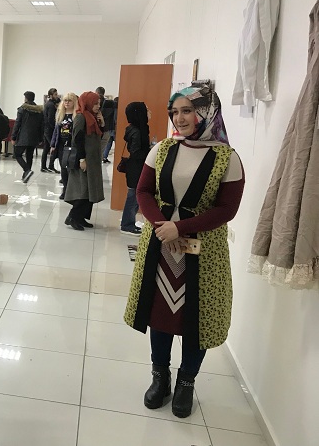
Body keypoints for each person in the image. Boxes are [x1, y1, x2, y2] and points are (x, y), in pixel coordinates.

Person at [124, 86, 244, 419]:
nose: (180, 118)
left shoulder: (227, 158)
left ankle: (186, 382)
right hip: (161, 244)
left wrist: (182, 228)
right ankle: (160, 376)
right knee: (160, 314)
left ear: (206, 113)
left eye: (188, 110)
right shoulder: (162, 149)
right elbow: (144, 191)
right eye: (175, 111)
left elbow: (227, 209)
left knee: (196, 319)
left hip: (204, 253)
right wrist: (164, 225)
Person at [64, 91, 104, 230]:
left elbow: (97, 137)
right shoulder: (81, 117)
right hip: (84, 159)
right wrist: (82, 159)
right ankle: (72, 217)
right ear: (88, 103)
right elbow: (77, 139)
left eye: (99, 103)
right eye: (95, 103)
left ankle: (81, 217)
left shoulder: (92, 117)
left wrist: (102, 124)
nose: (98, 106)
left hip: (92, 160)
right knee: (83, 190)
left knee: (90, 190)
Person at [120, 102, 151, 235]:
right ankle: (127, 224)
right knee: (133, 197)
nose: (149, 112)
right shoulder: (137, 131)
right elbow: (136, 152)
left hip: (136, 167)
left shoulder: (139, 128)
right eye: (146, 110)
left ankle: (129, 222)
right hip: (136, 168)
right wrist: (150, 151)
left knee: (135, 196)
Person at [11, 90, 43, 183]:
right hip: (35, 136)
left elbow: (17, 123)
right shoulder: (39, 110)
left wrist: (13, 136)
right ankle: (25, 176)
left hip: (23, 136)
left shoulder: (22, 109)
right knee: (29, 156)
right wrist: (40, 138)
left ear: (25, 98)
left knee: (17, 154)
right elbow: (42, 125)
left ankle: (27, 170)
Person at [50, 92, 77, 200]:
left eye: (69, 100)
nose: (67, 102)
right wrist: (53, 144)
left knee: (70, 169)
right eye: (65, 100)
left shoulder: (77, 115)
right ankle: (65, 189)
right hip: (61, 145)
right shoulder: (60, 114)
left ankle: (71, 190)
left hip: (72, 145)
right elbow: (56, 131)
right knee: (63, 168)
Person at [41, 87, 59, 173]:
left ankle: (43, 166)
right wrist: (54, 128)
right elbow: (50, 119)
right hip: (49, 129)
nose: (57, 96)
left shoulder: (48, 104)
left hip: (46, 129)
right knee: (53, 147)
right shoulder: (51, 105)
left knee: (46, 148)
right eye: (55, 94)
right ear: (51, 95)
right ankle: (50, 165)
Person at [101, 95, 117, 162]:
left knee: (108, 145)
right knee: (117, 145)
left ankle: (104, 157)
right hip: (113, 128)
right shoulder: (114, 110)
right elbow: (115, 119)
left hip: (107, 129)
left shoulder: (102, 111)